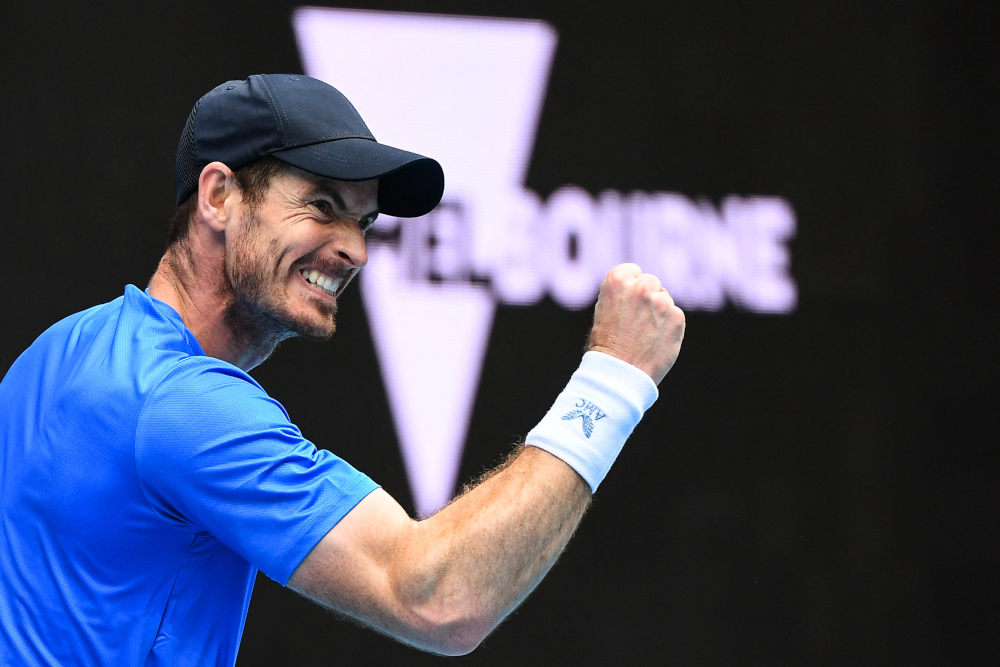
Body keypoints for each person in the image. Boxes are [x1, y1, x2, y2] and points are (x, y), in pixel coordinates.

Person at [0, 74, 685, 665]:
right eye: (322, 205)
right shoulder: (184, 404)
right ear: (218, 196)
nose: (355, 249)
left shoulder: (58, 352)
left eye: (365, 222)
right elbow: (439, 597)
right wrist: (616, 377)